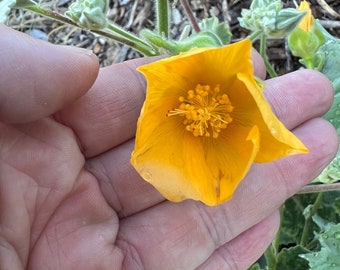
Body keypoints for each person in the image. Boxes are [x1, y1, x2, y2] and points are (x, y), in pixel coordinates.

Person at [0, 23, 338, 270]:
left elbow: (237, 65)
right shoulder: (167, 78)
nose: (205, 111)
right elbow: (163, 79)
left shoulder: (231, 68)